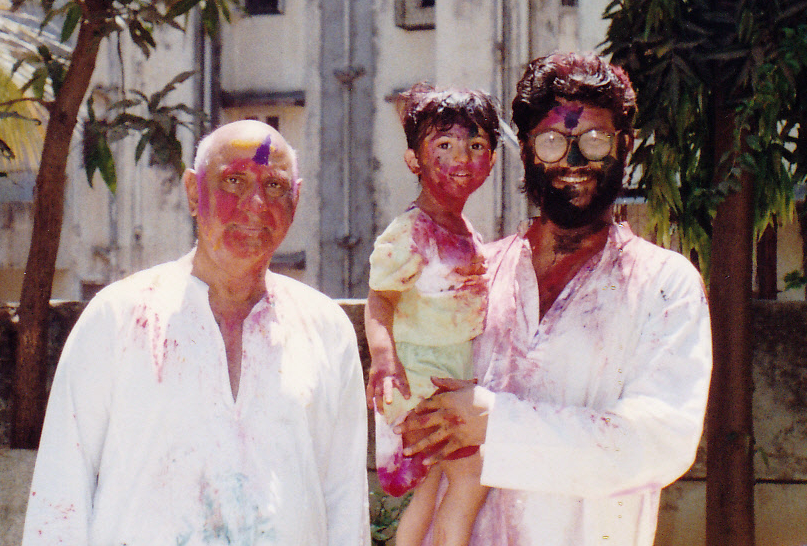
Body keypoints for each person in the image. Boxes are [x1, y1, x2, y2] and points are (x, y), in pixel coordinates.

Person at [396, 53, 713, 545]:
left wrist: (495, 424)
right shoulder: (474, 273)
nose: (574, 161)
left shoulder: (664, 285)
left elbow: (656, 443)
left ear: (625, 146)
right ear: (524, 151)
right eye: (551, 142)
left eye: (594, 139)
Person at [22, 120, 370, 546]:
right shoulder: (118, 316)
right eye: (233, 181)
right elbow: (62, 492)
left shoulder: (327, 330)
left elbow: (345, 503)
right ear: (193, 191)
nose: (256, 204)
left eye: (275, 186)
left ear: (296, 199)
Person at [364, 83, 499, 546]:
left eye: (476, 145)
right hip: (421, 377)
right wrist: (384, 362)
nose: (462, 157)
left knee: (428, 486)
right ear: (413, 161)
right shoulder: (410, 233)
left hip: (451, 372)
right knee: (470, 474)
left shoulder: (464, 231)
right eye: (444, 145)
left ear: (494, 159)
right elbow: (380, 301)